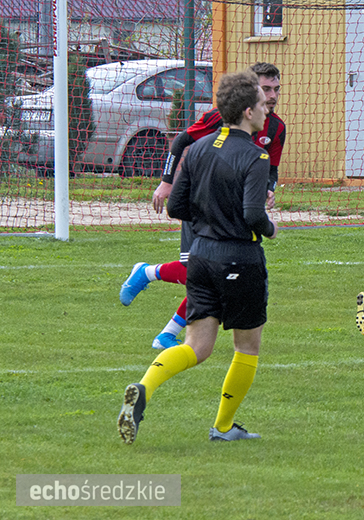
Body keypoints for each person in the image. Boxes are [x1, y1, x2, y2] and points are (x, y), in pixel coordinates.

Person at [117, 71, 278, 444]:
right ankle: (223, 427)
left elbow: (175, 206)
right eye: (262, 100)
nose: (267, 106)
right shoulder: (256, 156)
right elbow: (254, 214)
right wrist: (269, 229)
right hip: (240, 259)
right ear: (248, 111)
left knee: (196, 347)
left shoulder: (199, 148)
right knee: (246, 347)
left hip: (201, 258)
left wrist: (209, 218)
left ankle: (144, 387)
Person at [119, 63, 286, 350]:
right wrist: (167, 182)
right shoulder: (220, 118)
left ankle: (167, 335)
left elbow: (271, 168)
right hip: (205, 205)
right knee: (197, 271)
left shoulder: (276, 127)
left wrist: (268, 189)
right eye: (265, 90)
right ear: (250, 95)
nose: (271, 96)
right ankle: (148, 273)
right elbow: (183, 140)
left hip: (231, 212)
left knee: (207, 274)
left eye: (276, 89)